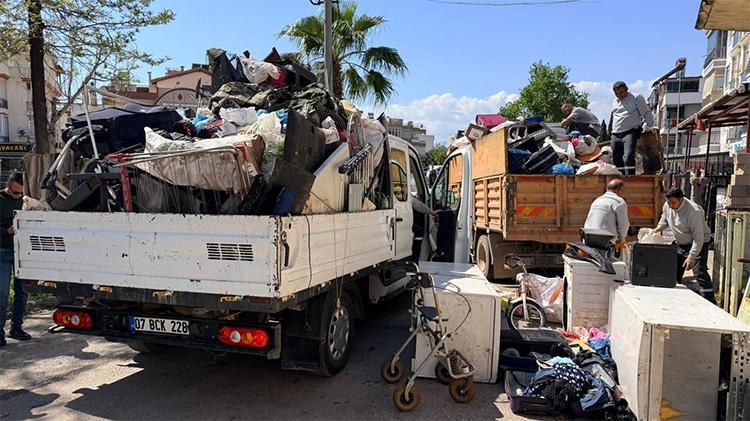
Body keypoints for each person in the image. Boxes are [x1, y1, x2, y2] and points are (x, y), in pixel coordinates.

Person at [654, 187, 715, 303]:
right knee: (673, 271)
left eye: (673, 203)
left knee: (699, 272)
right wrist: (658, 228)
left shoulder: (694, 212)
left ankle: (709, 300)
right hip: (680, 243)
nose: (670, 206)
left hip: (698, 243)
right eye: (668, 202)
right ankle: (675, 298)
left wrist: (691, 257)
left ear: (681, 200)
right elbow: (664, 218)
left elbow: (699, 238)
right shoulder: (668, 205)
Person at [0, 172, 29, 347]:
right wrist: (6, 231)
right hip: (2, 250)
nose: (18, 196)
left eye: (21, 193)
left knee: (22, 291)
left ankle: (16, 327)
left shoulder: (25, 201)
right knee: (2, 294)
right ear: (8, 186)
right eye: (15, 192)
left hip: (22, 251)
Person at [610, 81, 657, 176]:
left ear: (626, 89)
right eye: (616, 93)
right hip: (616, 133)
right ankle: (620, 178)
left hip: (630, 132)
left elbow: (646, 112)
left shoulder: (636, 98)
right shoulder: (615, 102)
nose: (619, 95)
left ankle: (631, 177)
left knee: (627, 157)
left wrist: (651, 125)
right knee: (616, 159)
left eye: (621, 92)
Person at [584, 179, 630, 249]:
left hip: (589, 238)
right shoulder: (619, 202)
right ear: (619, 189)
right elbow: (623, 225)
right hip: (606, 240)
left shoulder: (597, 200)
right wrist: (622, 239)